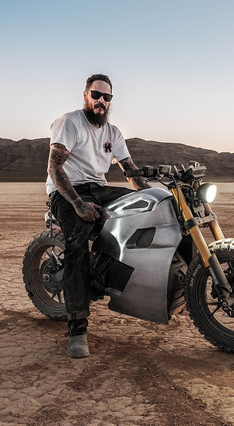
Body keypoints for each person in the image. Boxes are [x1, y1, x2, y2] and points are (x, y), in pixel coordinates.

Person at [45, 73, 149, 358]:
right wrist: (78, 204)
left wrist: (155, 193)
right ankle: (77, 327)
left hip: (99, 189)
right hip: (67, 191)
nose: (101, 100)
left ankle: (106, 275)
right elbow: (55, 169)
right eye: (96, 95)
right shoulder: (70, 123)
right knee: (76, 244)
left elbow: (131, 171)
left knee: (148, 209)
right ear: (85, 95)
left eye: (107, 96)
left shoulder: (113, 133)